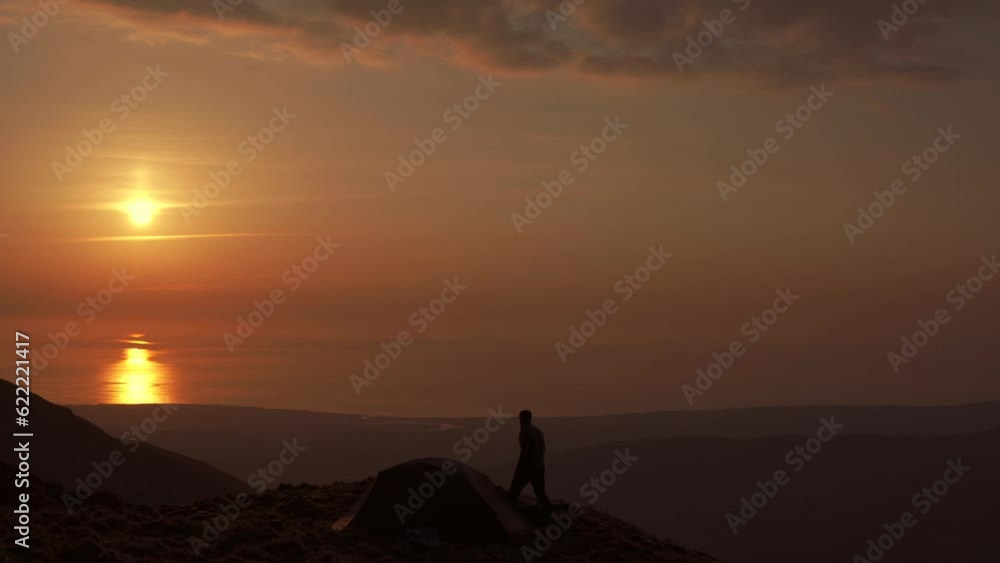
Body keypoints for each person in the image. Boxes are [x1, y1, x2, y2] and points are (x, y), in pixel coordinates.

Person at [508, 409, 551, 513]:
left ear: (523, 419)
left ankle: (507, 517)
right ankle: (548, 515)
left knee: (513, 492)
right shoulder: (539, 431)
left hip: (528, 468)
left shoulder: (525, 432)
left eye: (520, 419)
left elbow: (524, 453)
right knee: (541, 494)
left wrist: (519, 470)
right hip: (540, 467)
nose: (520, 422)